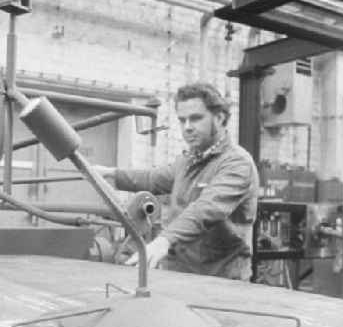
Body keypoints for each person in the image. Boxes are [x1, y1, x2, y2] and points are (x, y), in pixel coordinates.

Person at [96, 82, 259, 281]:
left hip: (220, 280)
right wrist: (110, 174)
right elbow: (153, 178)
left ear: (219, 118)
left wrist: (163, 241)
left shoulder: (236, 163)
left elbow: (205, 209)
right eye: (182, 120)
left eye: (196, 118)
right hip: (181, 275)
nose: (187, 127)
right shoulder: (189, 160)